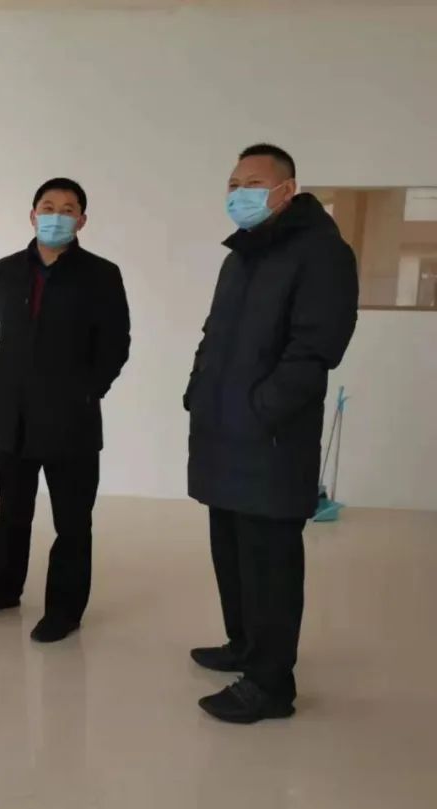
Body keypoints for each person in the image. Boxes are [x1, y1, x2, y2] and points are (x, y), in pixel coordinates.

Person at [185, 144, 358, 723]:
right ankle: (244, 646)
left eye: (254, 183)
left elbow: (316, 349)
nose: (240, 193)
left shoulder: (321, 253)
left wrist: (261, 409)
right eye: (234, 183)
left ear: (287, 190)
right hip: (222, 431)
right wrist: (197, 389)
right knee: (232, 553)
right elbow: (213, 333)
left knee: (270, 566)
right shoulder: (242, 254)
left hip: (271, 439)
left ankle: (270, 684)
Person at [0, 178, 130, 643]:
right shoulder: (7, 270)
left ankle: (64, 611)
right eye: (48, 207)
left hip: (72, 419)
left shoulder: (101, 274)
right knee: (12, 510)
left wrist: (90, 390)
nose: (56, 216)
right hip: (13, 415)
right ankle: (4, 589)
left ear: (81, 221)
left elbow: (116, 342)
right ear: (32, 215)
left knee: (72, 520)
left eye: (68, 209)